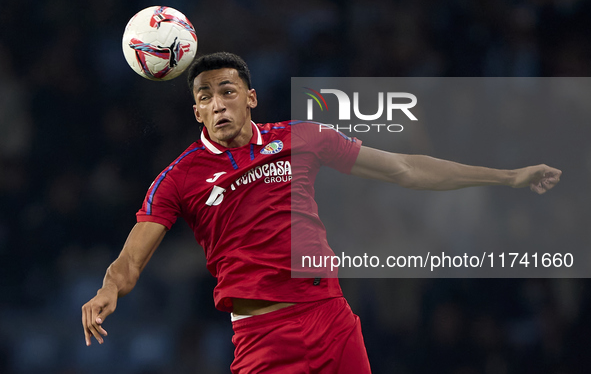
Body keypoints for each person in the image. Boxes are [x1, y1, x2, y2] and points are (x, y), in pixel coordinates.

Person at [81, 52, 561, 373]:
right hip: (262, 335)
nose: (217, 103)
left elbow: (405, 169)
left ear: (250, 98)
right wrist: (108, 288)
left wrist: (507, 176)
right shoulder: (178, 177)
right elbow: (132, 257)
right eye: (205, 97)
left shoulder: (302, 138)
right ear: (197, 113)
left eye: (227, 91)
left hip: (331, 318)